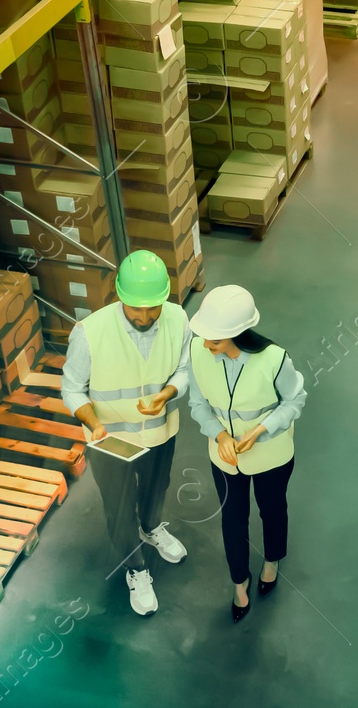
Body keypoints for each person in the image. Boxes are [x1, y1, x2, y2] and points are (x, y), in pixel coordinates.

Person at [62, 251, 192, 616]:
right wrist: (93, 422)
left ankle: (151, 528)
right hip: (111, 440)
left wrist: (167, 393)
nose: (145, 316)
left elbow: (184, 369)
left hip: (159, 432)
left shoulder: (179, 320)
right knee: (120, 510)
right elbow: (71, 388)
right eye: (137, 308)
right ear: (119, 295)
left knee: (156, 490)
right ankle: (136, 569)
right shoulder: (90, 333)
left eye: (154, 308)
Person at [185, 285, 306, 623]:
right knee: (232, 519)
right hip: (224, 456)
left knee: (272, 509)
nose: (208, 346)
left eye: (216, 341)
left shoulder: (274, 359)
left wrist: (260, 430)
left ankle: (272, 560)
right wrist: (220, 434)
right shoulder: (197, 351)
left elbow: (295, 400)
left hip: (271, 453)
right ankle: (240, 581)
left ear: (238, 334)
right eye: (206, 337)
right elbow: (197, 404)